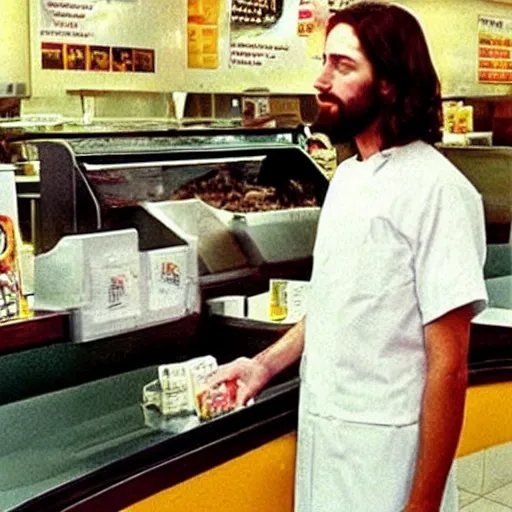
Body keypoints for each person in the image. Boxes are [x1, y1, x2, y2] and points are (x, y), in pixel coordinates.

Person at [208, 2, 488, 511]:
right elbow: (338, 304)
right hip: (325, 444)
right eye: (324, 61)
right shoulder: (347, 179)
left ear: (389, 82)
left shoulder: (439, 192)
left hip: (388, 463)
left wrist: (422, 505)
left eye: (342, 66)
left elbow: (449, 368)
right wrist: (264, 365)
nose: (320, 80)